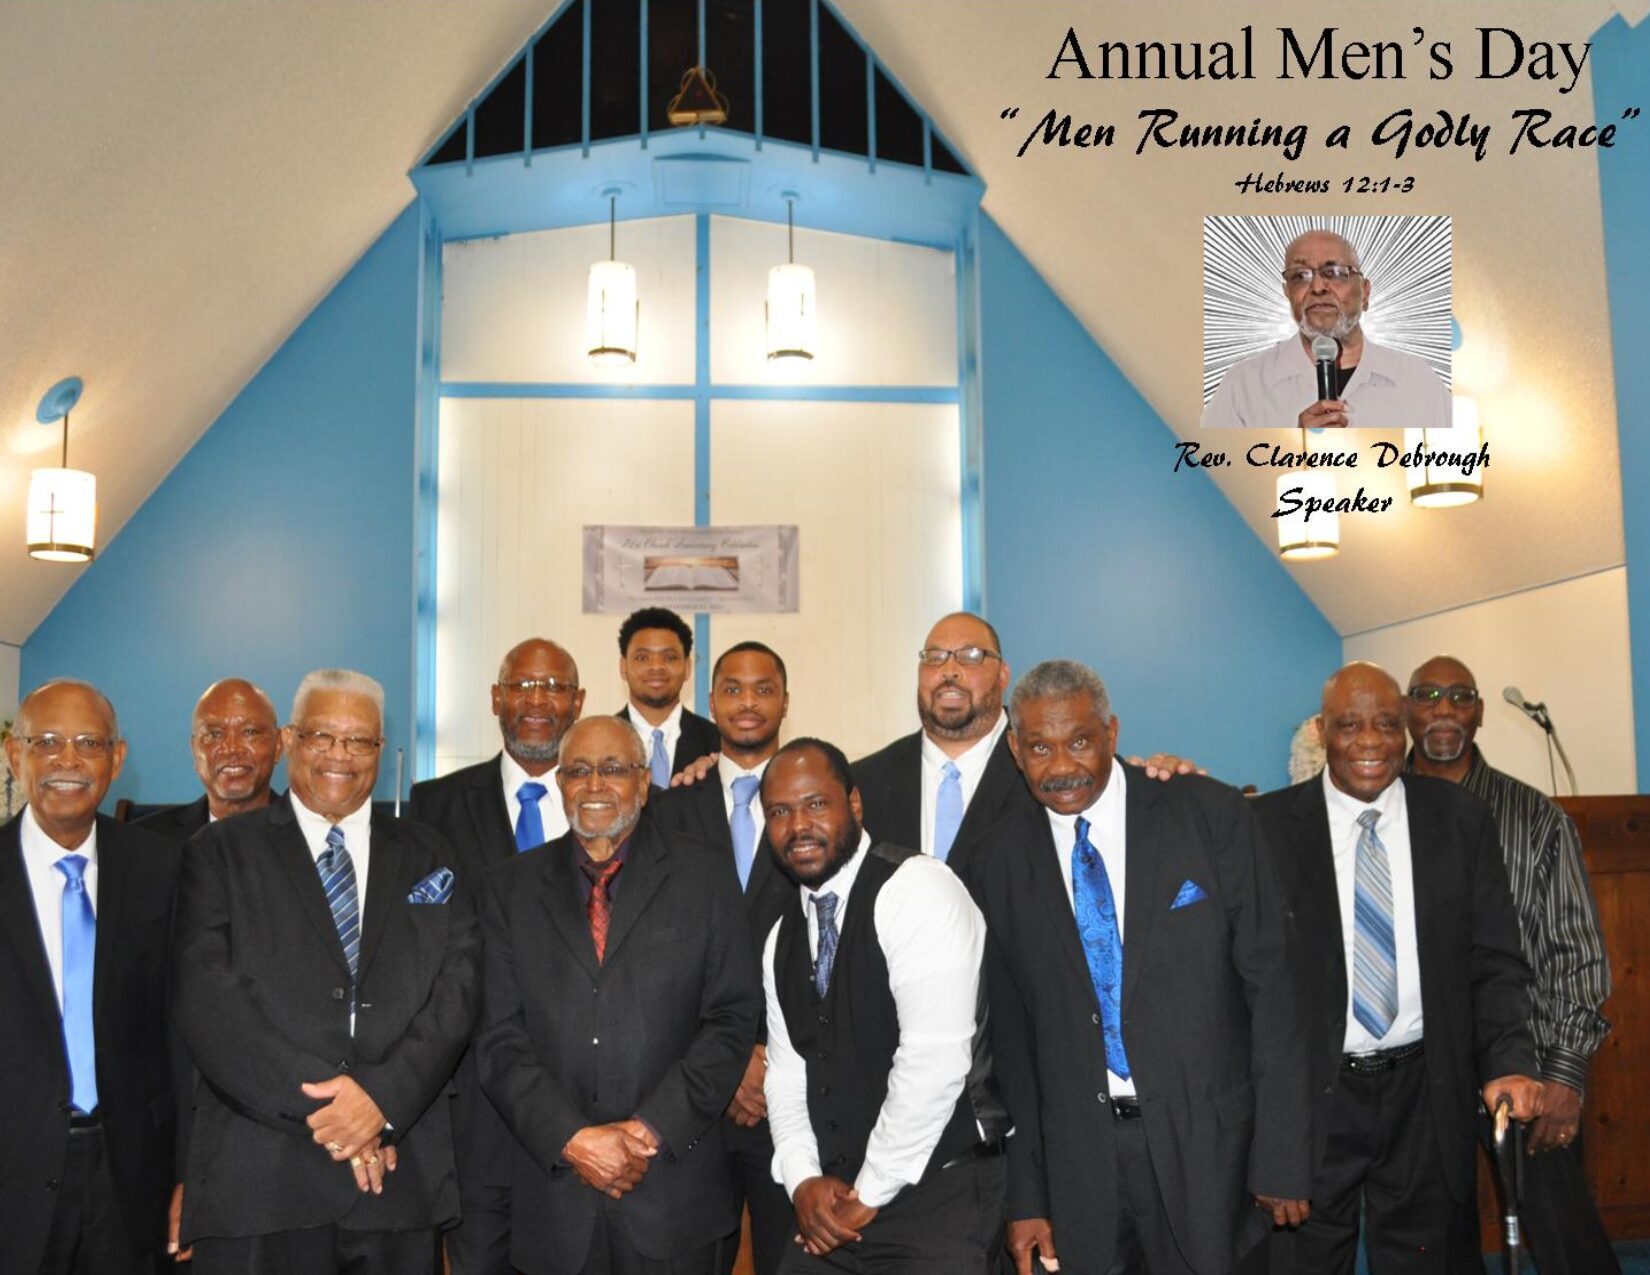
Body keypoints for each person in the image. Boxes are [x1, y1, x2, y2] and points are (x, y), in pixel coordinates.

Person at [965, 660, 1310, 1275]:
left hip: (1214, 1154)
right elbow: (1008, 1047)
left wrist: (1282, 1152)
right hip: (1080, 1174)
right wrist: (1027, 1194)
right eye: (1040, 747)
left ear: (1112, 734)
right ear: (1016, 750)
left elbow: (1274, 990)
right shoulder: (996, 860)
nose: (1062, 766)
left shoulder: (1208, 813)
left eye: (1079, 741)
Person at [172, 669, 480, 1274]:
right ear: (289, 741)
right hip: (261, 1181)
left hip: (399, 1182)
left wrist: (381, 1104)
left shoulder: (433, 855)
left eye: (359, 741)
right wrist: (341, 1119)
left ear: (382, 750)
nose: (340, 755)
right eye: (322, 736)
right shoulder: (218, 854)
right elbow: (210, 1005)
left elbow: (457, 993)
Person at [1252, 661, 1543, 1274]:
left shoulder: (1460, 819)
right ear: (1321, 731)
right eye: (1349, 725)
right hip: (1311, 1096)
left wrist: (1509, 1060)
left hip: (1424, 1089)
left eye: (1386, 725)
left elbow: (1494, 959)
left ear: (1405, 729)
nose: (1370, 742)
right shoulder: (1264, 830)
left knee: (1428, 1259)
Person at [475, 715, 760, 1274]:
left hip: (675, 1195)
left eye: (613, 769)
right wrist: (574, 1140)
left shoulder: (704, 874)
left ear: (644, 781)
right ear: (559, 785)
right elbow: (498, 1038)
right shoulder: (509, 889)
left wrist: (647, 1129)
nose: (595, 785)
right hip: (557, 1200)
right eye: (578, 771)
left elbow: (730, 1018)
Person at [761, 737, 1009, 1273]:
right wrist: (802, 1178)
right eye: (779, 812)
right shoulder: (780, 935)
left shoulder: (918, 890)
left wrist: (868, 1193)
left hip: (937, 1197)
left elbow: (934, 1062)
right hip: (833, 1204)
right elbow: (787, 1072)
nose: (798, 825)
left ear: (853, 804)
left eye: (815, 804)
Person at [1404, 655, 1618, 1274]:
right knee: (1434, 1237)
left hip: (1524, 1061)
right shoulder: (1379, 811)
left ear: (1480, 714)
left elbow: (1575, 949)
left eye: (1460, 696)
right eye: (1428, 695)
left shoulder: (1534, 818)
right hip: (1415, 1067)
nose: (1444, 709)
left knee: (1562, 1234)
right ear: (1407, 712)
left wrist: (1565, 1072)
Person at [406, 637, 586, 1274]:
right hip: (473, 1106)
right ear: (495, 699)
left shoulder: (607, 802)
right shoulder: (433, 807)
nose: (537, 701)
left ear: (580, 702)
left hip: (586, 1104)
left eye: (555, 686)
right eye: (522, 685)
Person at [0, 679, 180, 1274]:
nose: (68, 761)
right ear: (12, 753)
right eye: (46, 741)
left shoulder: (161, 868)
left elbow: (181, 1033)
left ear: (117, 758)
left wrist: (188, 1173)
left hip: (133, 1178)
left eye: (88, 743)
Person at [647, 642, 797, 1275]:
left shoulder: (815, 800)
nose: (748, 702)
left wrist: (765, 1055)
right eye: (733, 689)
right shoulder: (667, 806)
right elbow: (654, 952)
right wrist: (728, 1060)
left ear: (786, 701)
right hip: (692, 1088)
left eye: (764, 689)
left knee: (791, 1255)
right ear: (710, 703)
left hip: (791, 1086)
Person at [852, 612, 1197, 876]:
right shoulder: (863, 785)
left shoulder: (1060, 770)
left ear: (1003, 675)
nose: (949, 670)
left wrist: (1163, 776)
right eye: (934, 656)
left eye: (971, 655)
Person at [1199, 229, 1453, 431]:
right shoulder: (1243, 387)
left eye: (1335, 273)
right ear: (1287, 293)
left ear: (1365, 291)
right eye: (1300, 276)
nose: (1318, 286)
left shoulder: (1419, 383)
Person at [136, 677, 283, 841]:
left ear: (278, 746)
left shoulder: (311, 834)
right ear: (194, 751)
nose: (232, 749)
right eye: (215, 734)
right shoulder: (145, 839)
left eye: (249, 732)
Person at [615, 607, 720, 787]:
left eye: (669, 657)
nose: (656, 666)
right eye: (642, 657)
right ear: (623, 667)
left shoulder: (717, 743)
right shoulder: (601, 741)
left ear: (687, 667)